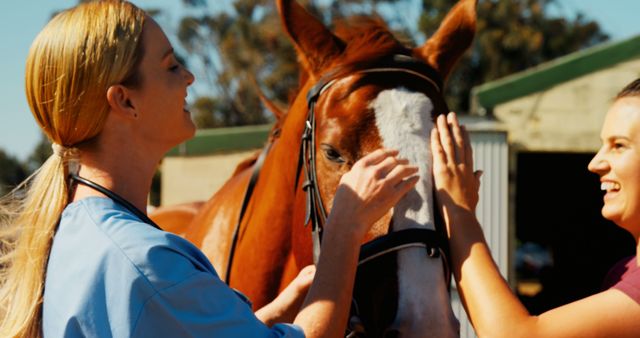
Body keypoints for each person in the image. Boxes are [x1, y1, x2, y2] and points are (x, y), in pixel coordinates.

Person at [0, 1, 420, 337]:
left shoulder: (76, 229)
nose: (190, 76)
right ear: (125, 101)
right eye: (170, 66)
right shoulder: (145, 263)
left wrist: (269, 316)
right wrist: (343, 231)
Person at [431, 80, 640, 338]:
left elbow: (514, 335)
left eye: (619, 145)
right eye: (602, 144)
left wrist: (459, 211)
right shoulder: (624, 270)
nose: (595, 163)